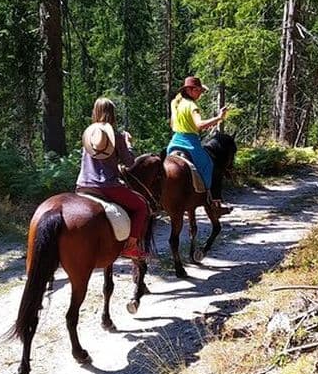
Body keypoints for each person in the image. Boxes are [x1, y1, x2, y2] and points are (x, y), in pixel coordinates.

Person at [76, 97, 149, 259]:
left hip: (83, 185)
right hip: (107, 187)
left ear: (95, 112)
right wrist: (129, 144)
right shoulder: (117, 137)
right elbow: (129, 163)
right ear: (113, 114)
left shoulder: (89, 135)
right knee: (141, 207)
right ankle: (131, 246)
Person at [166, 76, 231, 214]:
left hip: (175, 141)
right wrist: (219, 118)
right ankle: (213, 201)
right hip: (189, 142)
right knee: (209, 165)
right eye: (199, 90)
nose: (201, 93)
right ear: (190, 90)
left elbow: (172, 123)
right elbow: (199, 125)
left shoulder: (175, 102)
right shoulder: (192, 106)